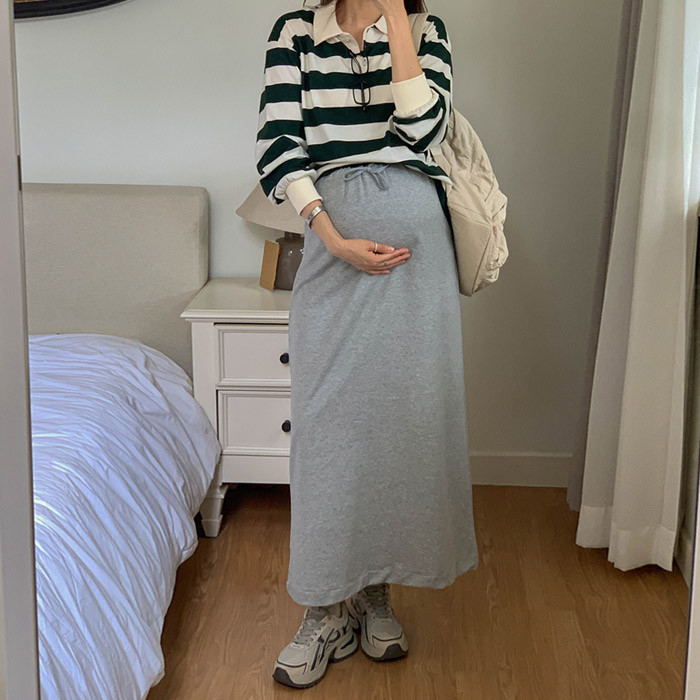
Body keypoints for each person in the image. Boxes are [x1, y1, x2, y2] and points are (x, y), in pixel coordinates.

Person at [254, 0, 479, 689]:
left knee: (401, 427)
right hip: (332, 249)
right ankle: (324, 606)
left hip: (418, 262)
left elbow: (424, 128)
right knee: (328, 431)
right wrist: (332, 237)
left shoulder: (427, 31)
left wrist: (397, 21)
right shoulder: (295, 31)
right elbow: (278, 146)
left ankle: (376, 591)